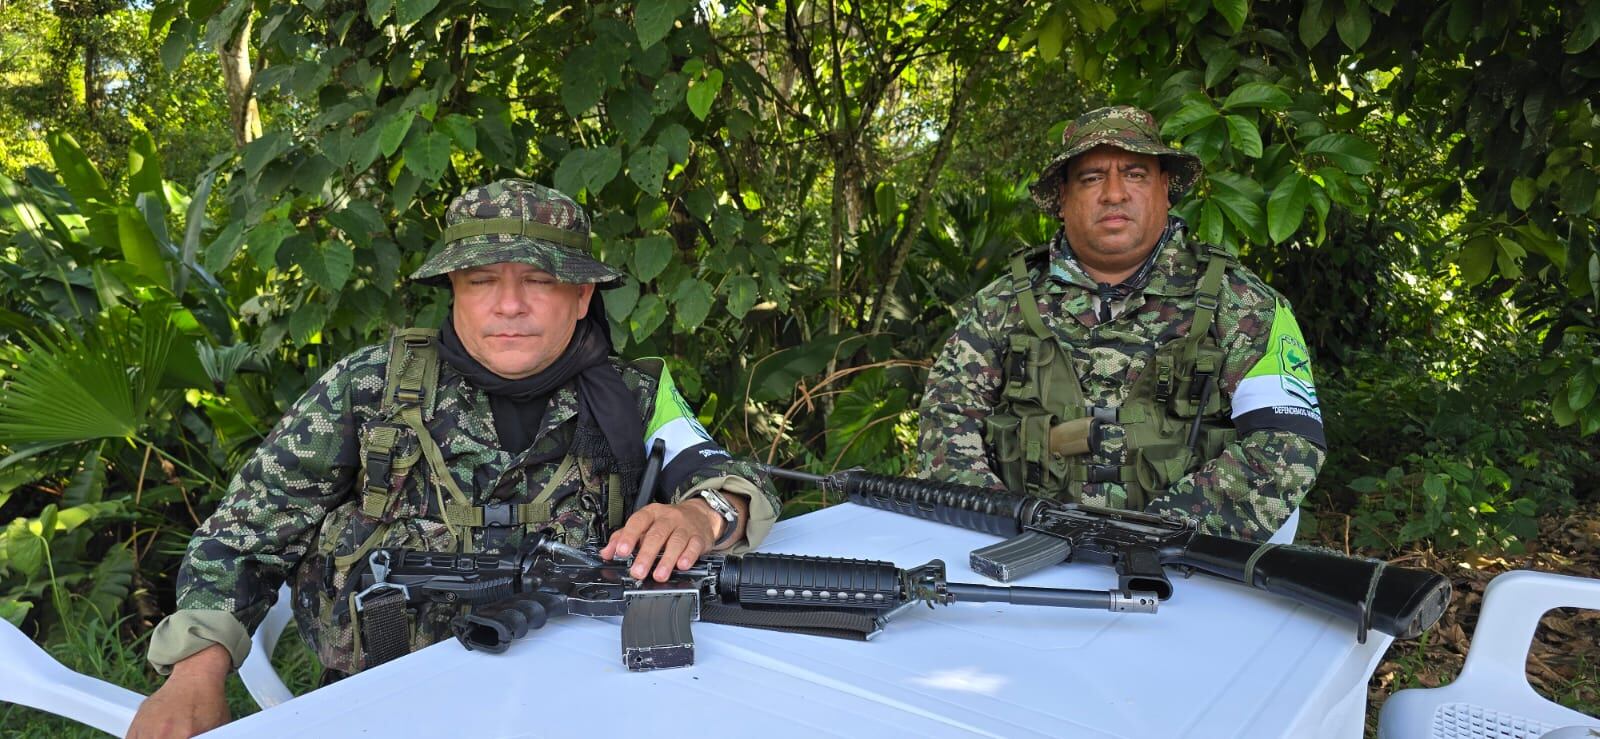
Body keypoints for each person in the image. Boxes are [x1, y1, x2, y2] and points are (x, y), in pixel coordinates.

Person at [127, 179, 780, 737]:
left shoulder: (636, 395)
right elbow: (248, 527)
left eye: (540, 280)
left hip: (580, 704)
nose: (509, 304)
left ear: (583, 296)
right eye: (481, 280)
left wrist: (699, 517)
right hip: (384, 706)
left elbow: (729, 479)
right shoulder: (371, 387)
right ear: (454, 291)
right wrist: (197, 668)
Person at [917, 106, 1325, 541]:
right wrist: (1002, 522)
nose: (1114, 193)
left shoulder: (1242, 303)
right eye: (1092, 178)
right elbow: (945, 422)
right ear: (1063, 198)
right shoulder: (1000, 305)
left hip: (1189, 564)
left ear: (1165, 189)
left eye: (1134, 174)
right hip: (1022, 556)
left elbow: (1288, 446)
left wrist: (1155, 535)